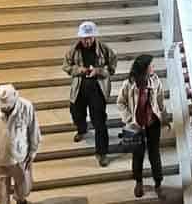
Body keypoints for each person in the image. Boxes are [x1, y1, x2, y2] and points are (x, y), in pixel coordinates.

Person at [62, 21, 117, 167]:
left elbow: (111, 67)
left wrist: (98, 71)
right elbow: (66, 66)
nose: (87, 41)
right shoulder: (73, 50)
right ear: (80, 38)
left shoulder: (104, 49)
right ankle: (82, 129)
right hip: (79, 88)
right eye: (84, 38)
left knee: (99, 121)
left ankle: (102, 152)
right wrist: (79, 70)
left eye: (90, 38)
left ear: (94, 37)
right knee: (75, 111)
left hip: (97, 89)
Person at [117, 54, 169, 199]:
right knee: (137, 154)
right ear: (144, 68)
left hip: (152, 123)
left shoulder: (156, 81)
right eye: (151, 65)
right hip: (136, 125)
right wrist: (128, 119)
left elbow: (160, 102)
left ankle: (158, 183)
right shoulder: (129, 84)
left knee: (154, 154)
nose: (154, 67)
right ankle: (138, 182)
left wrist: (164, 118)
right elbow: (120, 103)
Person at [0, 84, 41, 204]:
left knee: (23, 186)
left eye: (6, 107)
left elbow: (34, 131)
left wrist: (32, 153)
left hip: (20, 157)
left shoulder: (26, 107)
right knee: (1, 193)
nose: (4, 109)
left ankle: (20, 200)